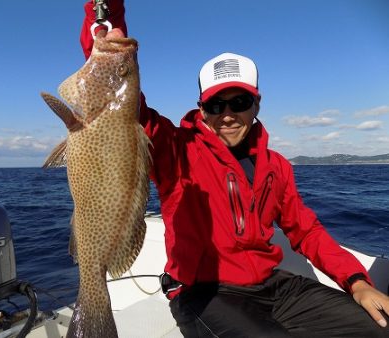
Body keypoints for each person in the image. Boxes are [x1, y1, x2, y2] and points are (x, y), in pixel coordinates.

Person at [80, 1, 389, 337]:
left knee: (379, 325)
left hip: (273, 286)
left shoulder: (277, 167)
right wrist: (108, 13)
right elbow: (118, 99)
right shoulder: (176, 149)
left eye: (239, 103)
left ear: (257, 104)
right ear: (201, 109)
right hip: (203, 293)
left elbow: (306, 231)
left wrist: (357, 283)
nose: (227, 114)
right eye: (215, 104)